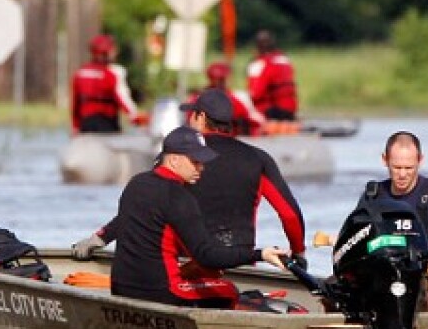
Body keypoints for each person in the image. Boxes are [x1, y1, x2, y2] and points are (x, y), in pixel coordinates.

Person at [72, 125, 288, 307]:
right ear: (174, 160)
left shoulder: (136, 184)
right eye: (196, 161)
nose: (202, 168)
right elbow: (207, 256)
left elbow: (123, 221)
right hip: (163, 292)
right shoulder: (180, 196)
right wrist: (260, 255)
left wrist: (97, 239)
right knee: (229, 290)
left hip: (120, 288)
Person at [179, 88, 307, 267]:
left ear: (200, 117)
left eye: (191, 114)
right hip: (240, 264)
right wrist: (298, 251)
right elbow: (290, 215)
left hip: (187, 263)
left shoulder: (177, 158)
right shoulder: (258, 158)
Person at [360, 131, 428, 311]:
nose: (402, 174)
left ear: (420, 160)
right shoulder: (373, 197)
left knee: (407, 294)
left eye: (409, 168)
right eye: (396, 167)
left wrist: (417, 267)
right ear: (384, 160)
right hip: (382, 279)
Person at [70, 34, 146, 134]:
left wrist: (75, 126)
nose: (115, 53)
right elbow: (122, 98)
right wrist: (135, 117)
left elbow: (75, 104)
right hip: (107, 124)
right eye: (113, 50)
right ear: (106, 52)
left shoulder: (80, 73)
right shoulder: (113, 72)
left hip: (85, 125)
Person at [246, 30, 298, 121]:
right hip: (290, 110)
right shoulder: (284, 59)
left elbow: (255, 94)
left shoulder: (258, 64)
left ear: (258, 46)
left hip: (271, 112)